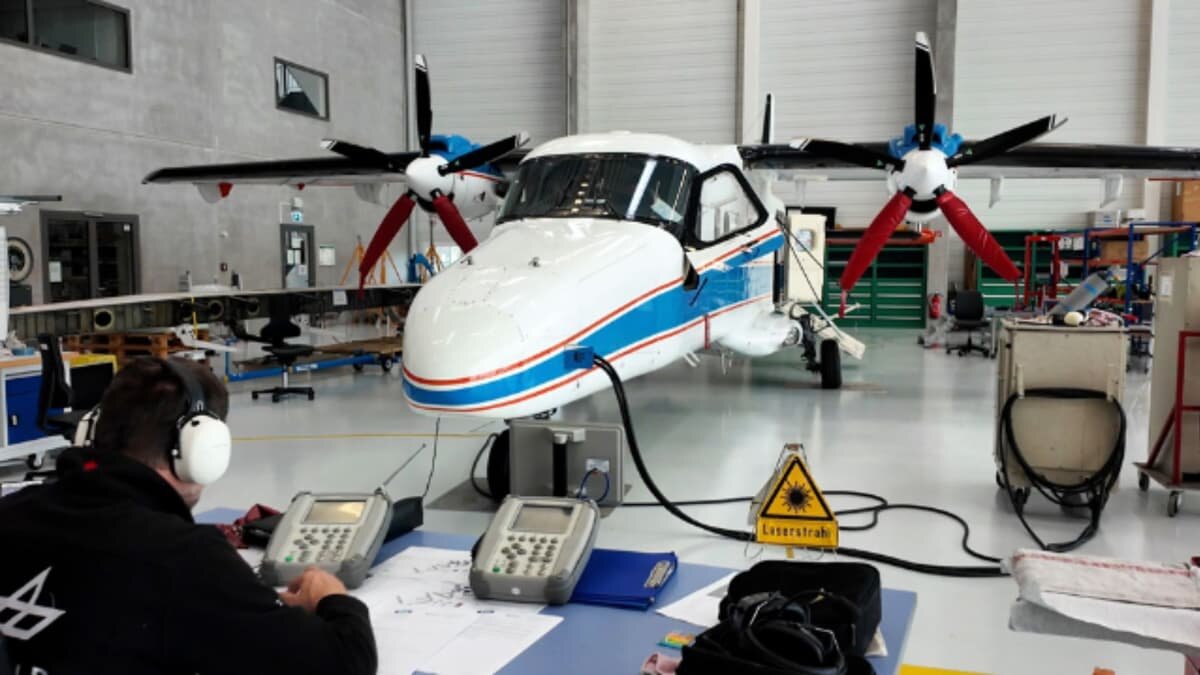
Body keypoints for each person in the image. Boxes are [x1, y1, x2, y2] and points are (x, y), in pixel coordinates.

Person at [0, 357, 376, 675]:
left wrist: (255, 608)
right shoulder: (181, 557)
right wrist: (332, 597)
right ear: (200, 449)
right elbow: (344, 662)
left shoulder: (12, 513)